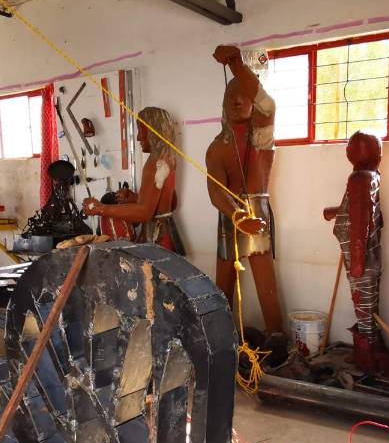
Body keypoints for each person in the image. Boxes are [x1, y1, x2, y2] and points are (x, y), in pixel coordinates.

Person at [204, 45, 284, 335]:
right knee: (223, 285)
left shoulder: (261, 136)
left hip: (258, 211)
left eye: (244, 94)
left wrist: (237, 65)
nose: (237, 100)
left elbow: (268, 106)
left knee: (266, 284)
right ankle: (220, 340)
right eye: (230, 95)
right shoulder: (217, 148)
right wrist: (238, 216)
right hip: (230, 216)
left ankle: (277, 341)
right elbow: (216, 190)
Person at [322, 132, 389, 377]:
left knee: (364, 311)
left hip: (361, 257)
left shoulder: (360, 178)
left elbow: (361, 221)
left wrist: (356, 262)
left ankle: (367, 360)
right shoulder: (372, 176)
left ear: (350, 154)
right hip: (370, 255)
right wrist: (336, 211)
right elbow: (363, 210)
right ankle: (372, 353)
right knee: (368, 309)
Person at [82, 106, 186, 254]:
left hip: (158, 238)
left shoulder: (155, 163)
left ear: (153, 131)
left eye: (140, 130)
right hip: (165, 232)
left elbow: (144, 213)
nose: (138, 138)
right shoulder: (167, 158)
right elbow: (170, 202)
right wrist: (134, 197)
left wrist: (100, 209)